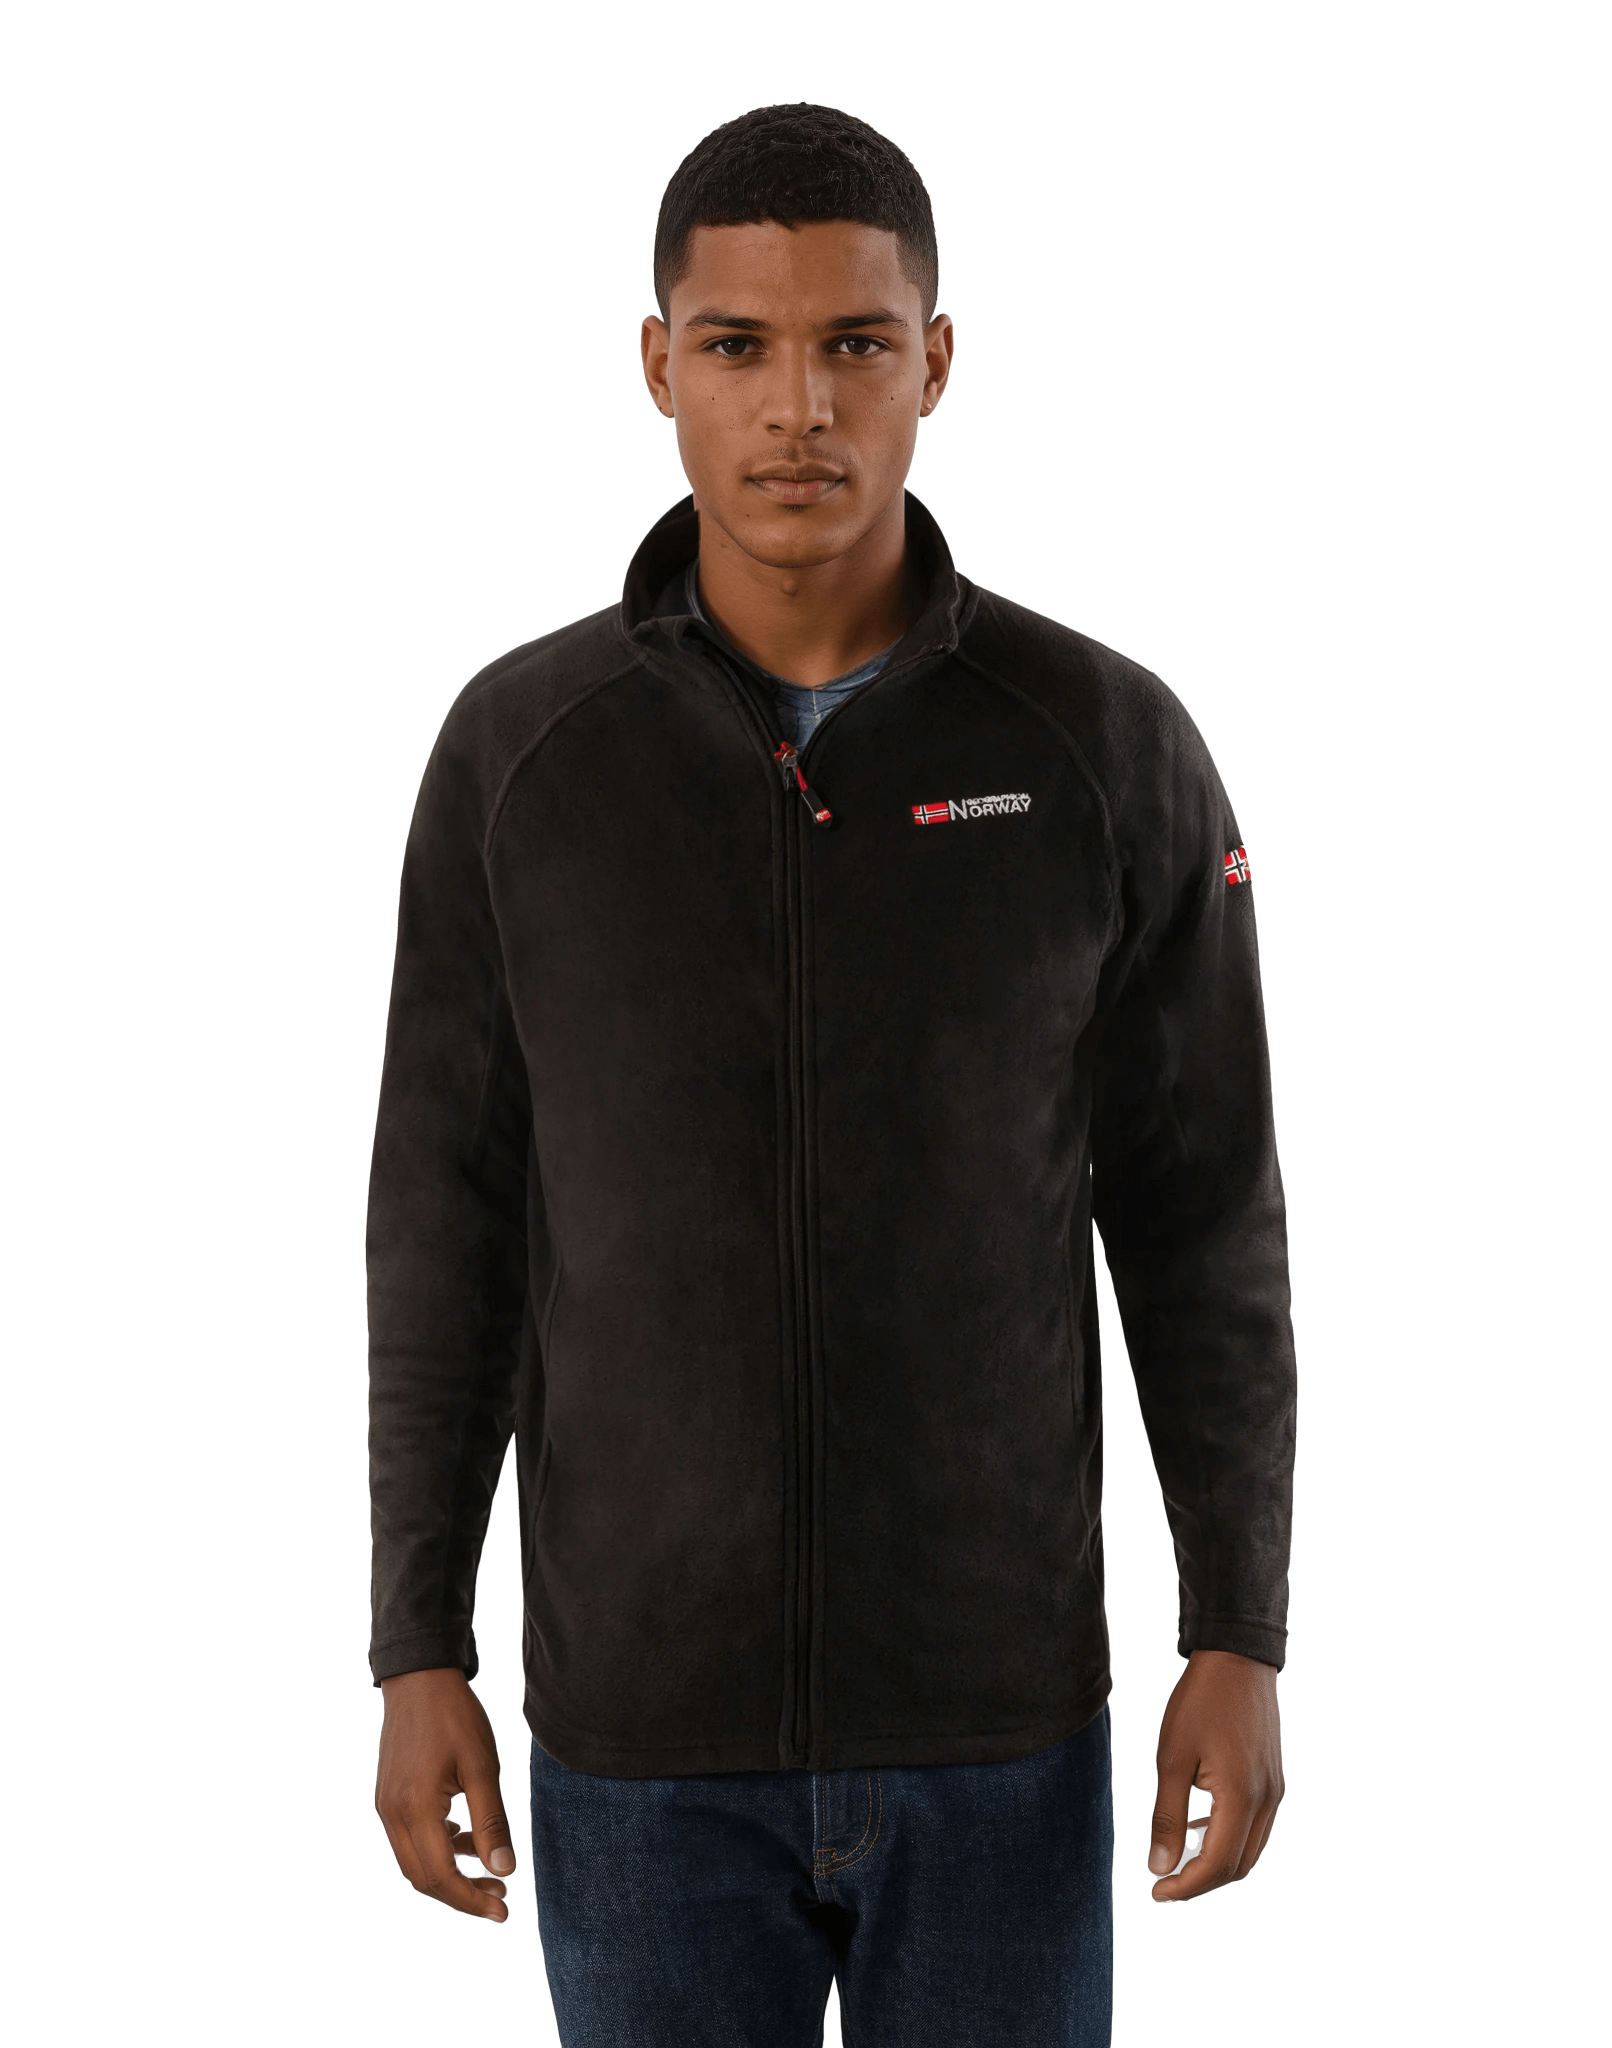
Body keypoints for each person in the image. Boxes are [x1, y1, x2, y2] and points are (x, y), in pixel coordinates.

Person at [368, 102, 1296, 2048]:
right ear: (659, 366)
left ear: (933, 360)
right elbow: (445, 1223)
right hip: (638, 1737)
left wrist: (1236, 1625)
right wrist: (414, 1644)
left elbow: (1204, 1221)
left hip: (995, 1727)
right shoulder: (522, 757)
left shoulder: (1098, 745)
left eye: (854, 342)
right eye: (739, 345)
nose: (798, 407)